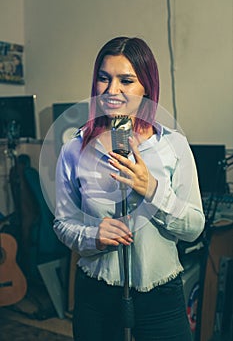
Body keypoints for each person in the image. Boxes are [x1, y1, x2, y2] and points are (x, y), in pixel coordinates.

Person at [54, 36, 205, 341]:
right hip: (96, 296)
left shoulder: (172, 146)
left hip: (161, 297)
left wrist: (152, 189)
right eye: (103, 79)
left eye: (126, 80)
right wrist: (91, 236)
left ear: (146, 87)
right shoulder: (74, 149)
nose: (112, 91)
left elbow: (194, 228)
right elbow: (62, 223)